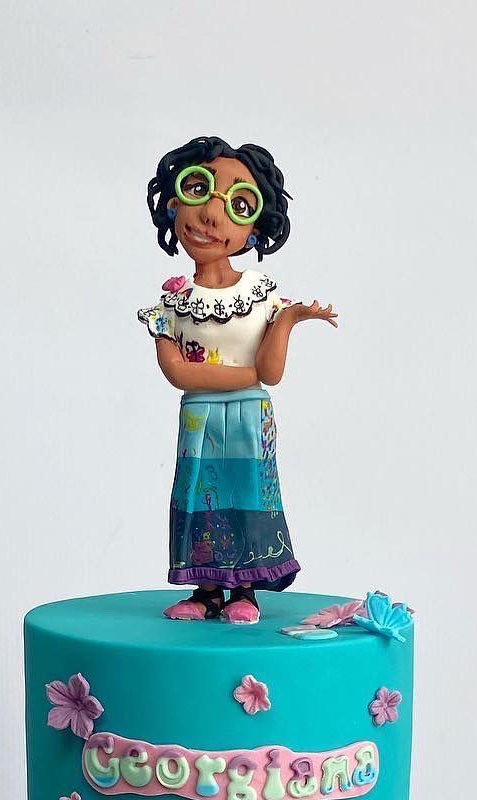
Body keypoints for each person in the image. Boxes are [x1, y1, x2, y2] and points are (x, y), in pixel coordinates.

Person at [138, 136, 337, 623]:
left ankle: (245, 590)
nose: (211, 214)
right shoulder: (169, 306)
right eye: (198, 188)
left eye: (238, 205)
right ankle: (207, 590)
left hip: (250, 415)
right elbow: (178, 372)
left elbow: (273, 372)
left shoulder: (262, 296)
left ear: (254, 230)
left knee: (247, 495)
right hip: (200, 416)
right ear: (172, 204)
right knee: (198, 497)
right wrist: (246, 375)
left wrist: (289, 321)